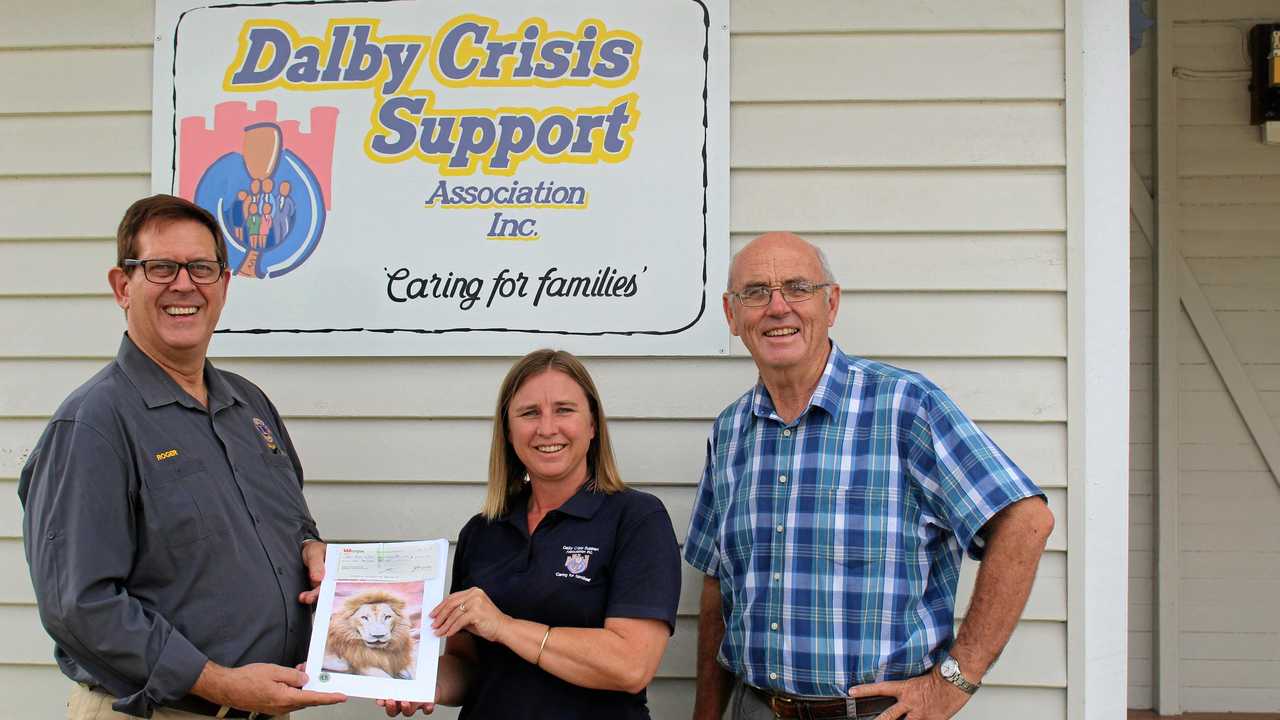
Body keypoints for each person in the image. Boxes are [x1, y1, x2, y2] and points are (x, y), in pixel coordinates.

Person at [685, 232, 1056, 720]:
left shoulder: (904, 407)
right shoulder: (732, 430)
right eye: (755, 292)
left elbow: (1026, 522)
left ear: (831, 303)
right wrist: (707, 712)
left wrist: (954, 682)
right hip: (752, 707)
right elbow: (718, 582)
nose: (777, 307)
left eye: (797, 287)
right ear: (733, 316)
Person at [18, 195, 346, 719]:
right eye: (161, 267)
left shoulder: (249, 406)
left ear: (224, 284)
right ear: (123, 287)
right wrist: (216, 683)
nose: (184, 284)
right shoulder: (93, 424)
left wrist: (310, 547)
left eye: (201, 267)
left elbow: (290, 519)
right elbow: (78, 605)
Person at [379, 349, 681, 719]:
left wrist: (504, 627)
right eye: (529, 413)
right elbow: (467, 663)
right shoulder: (482, 531)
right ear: (508, 431)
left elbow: (630, 665)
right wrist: (424, 684)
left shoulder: (636, 519)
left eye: (564, 410)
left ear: (592, 426)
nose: (547, 428)